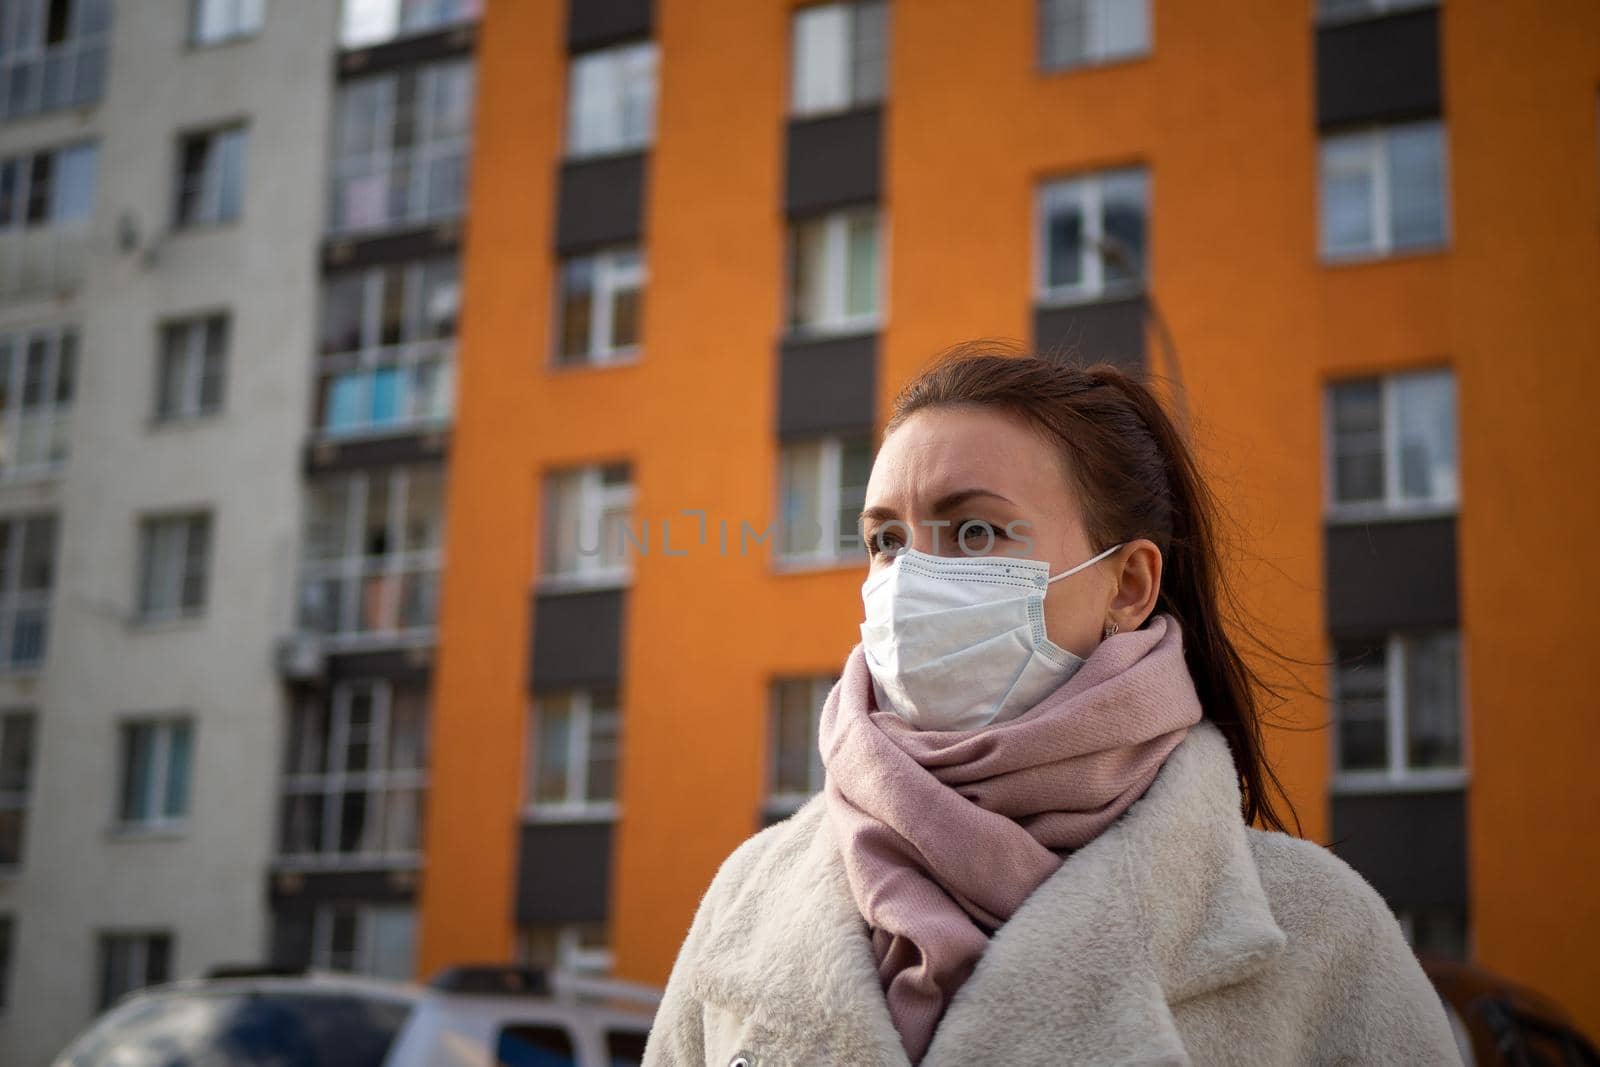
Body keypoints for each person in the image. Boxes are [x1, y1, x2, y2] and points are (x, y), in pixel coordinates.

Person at [641, 344, 1462, 1066]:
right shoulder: (749, 894)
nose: (910, 581)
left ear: (1129, 584)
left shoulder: (1320, 930)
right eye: (886, 539)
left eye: (973, 533)